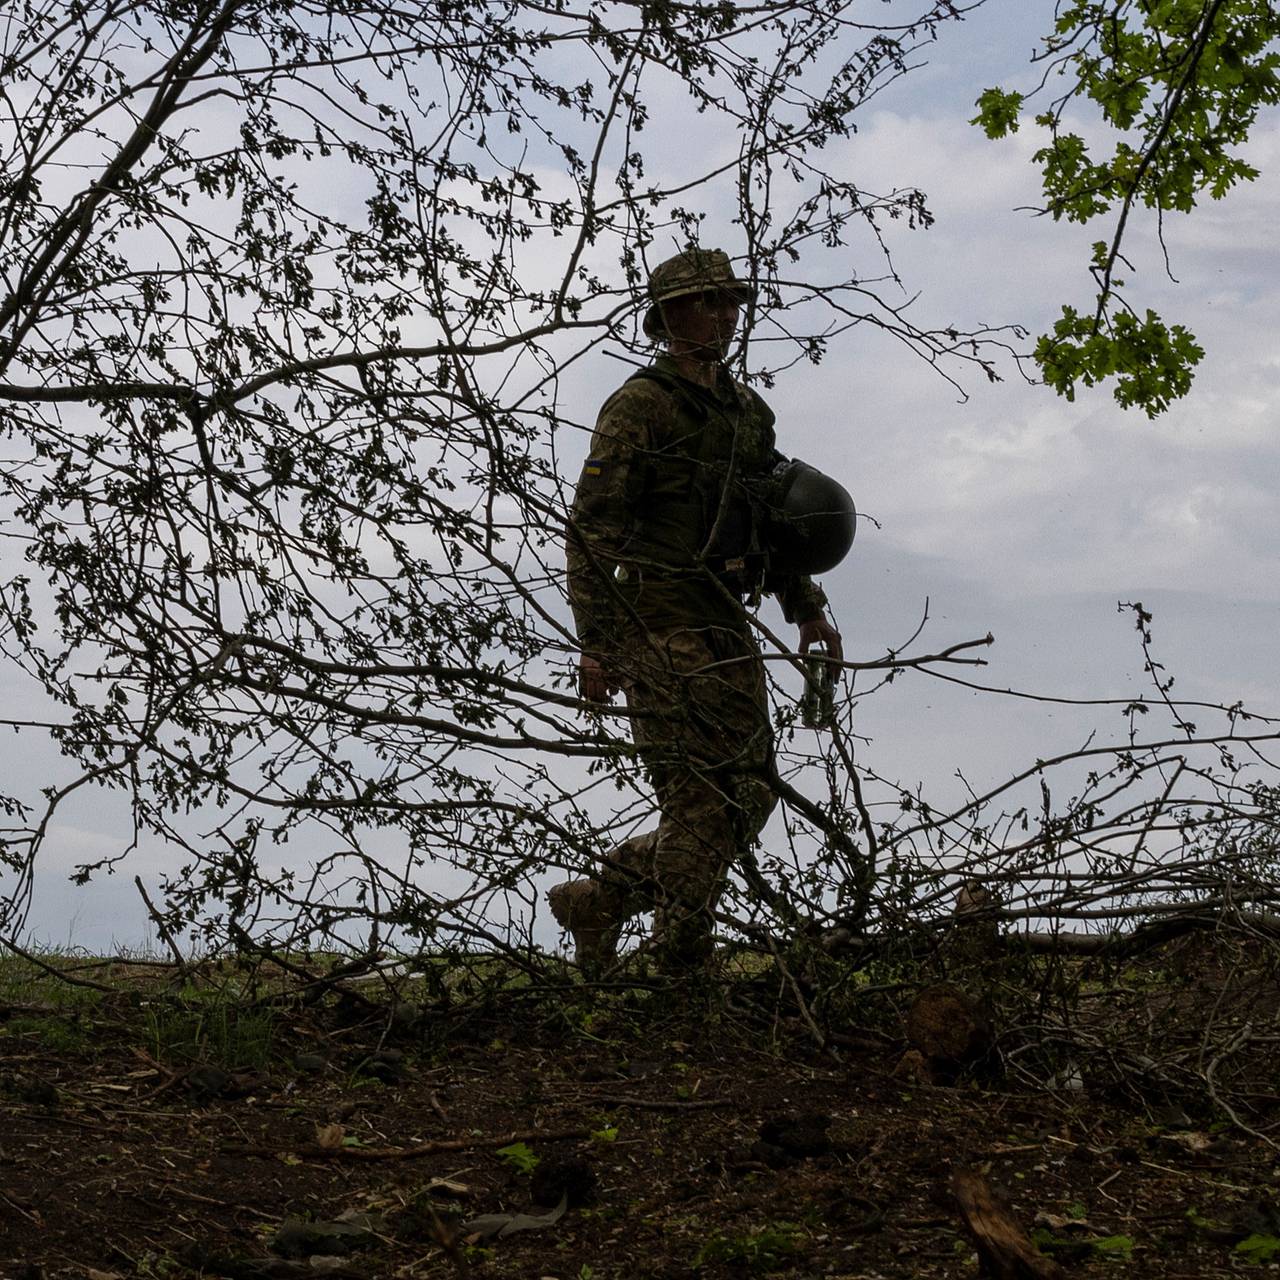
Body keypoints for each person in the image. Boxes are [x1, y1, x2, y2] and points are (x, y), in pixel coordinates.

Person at [551, 246, 844, 972]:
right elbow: (593, 529)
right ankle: (678, 959)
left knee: (748, 793)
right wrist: (597, 642)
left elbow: (767, 518)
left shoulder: (748, 413)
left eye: (731, 302)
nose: (724, 315)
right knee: (699, 798)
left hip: (724, 621)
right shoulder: (638, 408)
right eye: (708, 302)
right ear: (671, 316)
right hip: (657, 625)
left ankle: (604, 897)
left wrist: (804, 605)